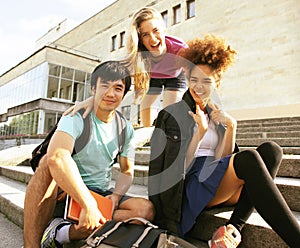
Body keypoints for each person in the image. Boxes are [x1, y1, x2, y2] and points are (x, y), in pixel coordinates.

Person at [148, 34, 300, 247]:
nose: (199, 87)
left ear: (217, 82)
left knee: (272, 150)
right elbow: (170, 170)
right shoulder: (170, 115)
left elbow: (223, 159)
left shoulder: (217, 113)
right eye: (194, 80)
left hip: (216, 182)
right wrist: (198, 134)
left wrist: (231, 128)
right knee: (247, 158)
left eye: (206, 81)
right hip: (190, 187)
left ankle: (233, 228)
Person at [24, 61, 155, 248]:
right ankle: (32, 245)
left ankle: (62, 233)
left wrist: (116, 195)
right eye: (104, 85)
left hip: (100, 194)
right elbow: (58, 157)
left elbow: (127, 171)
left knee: (144, 210)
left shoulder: (125, 128)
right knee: (47, 162)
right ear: (93, 88)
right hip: (69, 191)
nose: (110, 93)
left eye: (118, 88)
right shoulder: (76, 117)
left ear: (124, 94)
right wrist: (87, 203)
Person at [66, 7, 187, 127]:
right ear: (141, 40)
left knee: (169, 112)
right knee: (146, 105)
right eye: (145, 35)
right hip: (152, 76)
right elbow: (111, 77)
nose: (153, 39)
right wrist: (91, 101)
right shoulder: (138, 57)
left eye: (156, 31)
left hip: (174, 76)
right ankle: (148, 136)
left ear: (163, 30)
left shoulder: (179, 49)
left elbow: (199, 73)